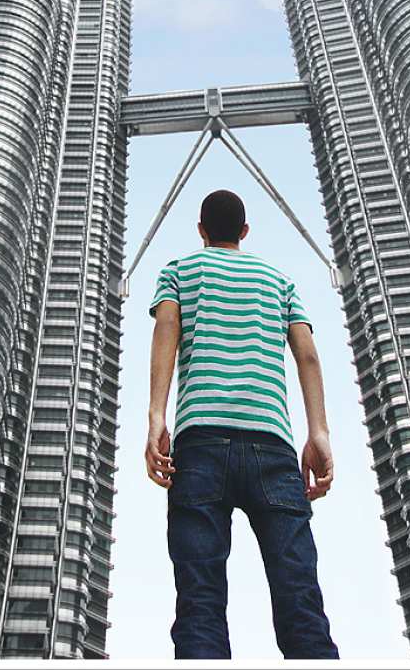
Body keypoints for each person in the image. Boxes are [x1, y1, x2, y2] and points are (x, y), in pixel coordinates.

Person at [145, 188, 340, 660]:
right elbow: (308, 355)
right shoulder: (279, 281)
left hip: (200, 445)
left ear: (201, 231)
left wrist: (156, 416)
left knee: (200, 604)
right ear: (245, 232)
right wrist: (319, 433)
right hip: (272, 449)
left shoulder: (179, 271)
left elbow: (166, 328)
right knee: (300, 601)